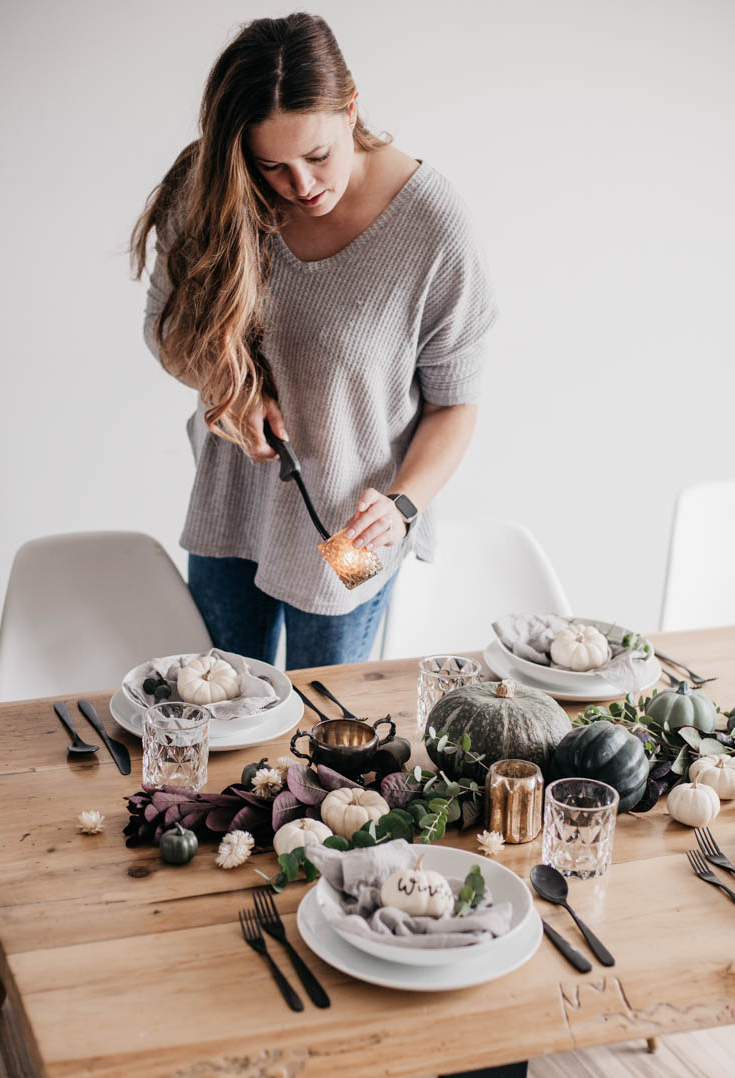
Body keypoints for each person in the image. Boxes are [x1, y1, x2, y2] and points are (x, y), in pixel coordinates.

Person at [131, 12, 496, 671]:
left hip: (351, 532)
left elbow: (455, 404)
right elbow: (168, 330)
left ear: (350, 108)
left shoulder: (434, 227)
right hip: (232, 508)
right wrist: (226, 389)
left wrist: (404, 504)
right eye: (272, 165)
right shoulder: (213, 187)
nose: (300, 187)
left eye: (318, 156)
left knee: (328, 730)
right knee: (222, 714)